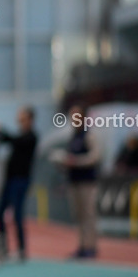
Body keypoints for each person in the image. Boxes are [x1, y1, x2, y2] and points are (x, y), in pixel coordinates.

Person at [0, 107, 38, 261]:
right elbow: (3, 139)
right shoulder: (20, 136)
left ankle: (21, 249)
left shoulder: (31, 137)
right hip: (9, 180)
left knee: (17, 215)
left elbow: (12, 140)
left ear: (30, 120)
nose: (20, 121)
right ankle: (4, 247)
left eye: (23, 118)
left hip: (20, 181)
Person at [52, 105, 101, 259]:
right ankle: (81, 246)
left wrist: (76, 162)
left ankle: (91, 247)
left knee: (88, 215)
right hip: (74, 181)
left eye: (77, 116)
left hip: (87, 182)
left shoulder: (89, 135)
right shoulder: (73, 137)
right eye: (72, 116)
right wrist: (63, 162)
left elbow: (95, 157)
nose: (74, 119)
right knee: (78, 215)